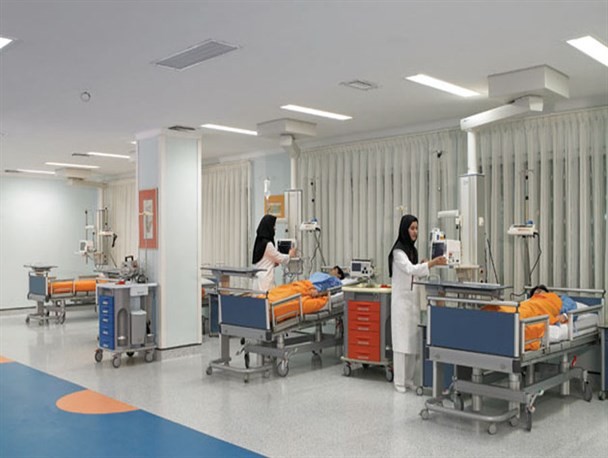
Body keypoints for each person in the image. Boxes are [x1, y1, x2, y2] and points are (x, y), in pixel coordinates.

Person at [389, 214, 447, 393]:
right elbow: (410, 269)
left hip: (412, 303)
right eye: (412, 228)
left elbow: (416, 273)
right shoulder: (398, 252)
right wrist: (431, 263)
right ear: (404, 229)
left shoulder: (412, 251)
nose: (415, 232)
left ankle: (408, 380)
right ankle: (399, 382)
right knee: (401, 345)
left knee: (412, 343)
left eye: (416, 228)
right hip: (401, 304)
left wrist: (425, 264)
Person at [252, 214, 296, 292]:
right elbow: (280, 258)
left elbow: (263, 259)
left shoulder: (259, 241)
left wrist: (272, 262)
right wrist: (290, 255)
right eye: (273, 226)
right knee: (265, 298)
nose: (275, 228)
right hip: (265, 281)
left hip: (259, 278)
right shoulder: (267, 244)